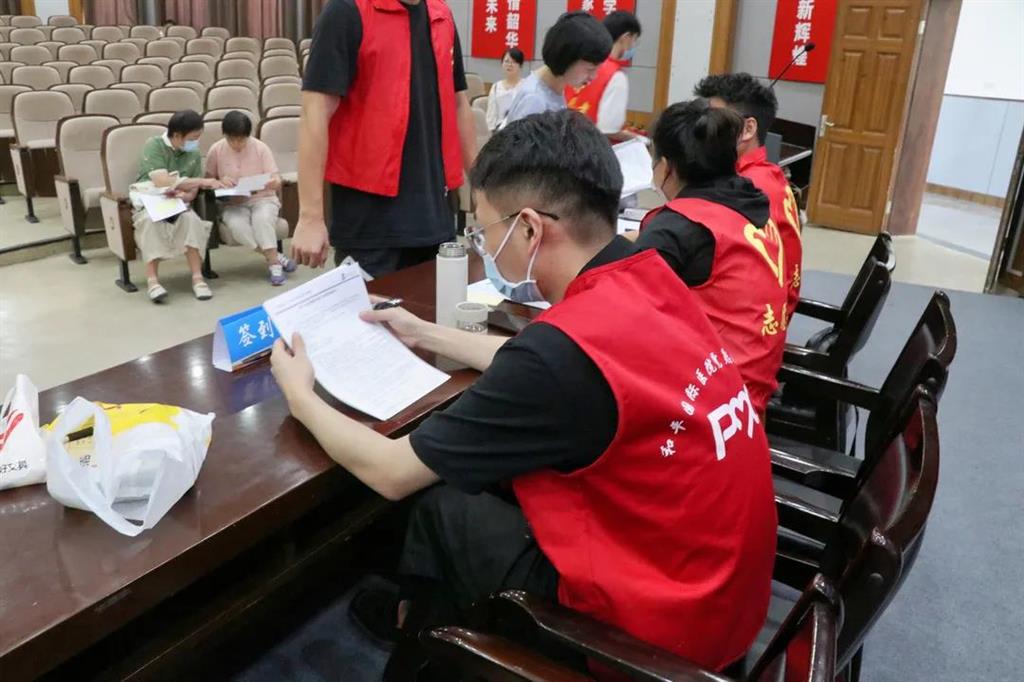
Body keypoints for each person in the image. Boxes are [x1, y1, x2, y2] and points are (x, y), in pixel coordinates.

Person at [270, 110, 776, 677]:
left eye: (485, 230)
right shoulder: (649, 274)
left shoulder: (559, 354)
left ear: (531, 229)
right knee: (479, 487)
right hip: (723, 601)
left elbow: (390, 471)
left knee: (444, 506)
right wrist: (425, 332)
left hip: (651, 645)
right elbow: (564, 362)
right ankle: (425, 619)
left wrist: (301, 396)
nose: (485, 246)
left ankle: (427, 644)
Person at [293, 0, 478, 277]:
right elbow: (314, 112)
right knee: (372, 306)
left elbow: (459, 104)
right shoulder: (346, 11)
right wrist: (310, 216)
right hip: (369, 225)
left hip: (435, 217)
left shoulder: (441, 16)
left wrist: (482, 190)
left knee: (436, 303)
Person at [632, 99, 788, 414]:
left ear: (666, 166)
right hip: (750, 387)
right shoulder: (749, 200)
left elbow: (621, 312)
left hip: (705, 403)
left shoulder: (676, 229)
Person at [696, 72, 803, 321]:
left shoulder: (748, 189)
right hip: (768, 313)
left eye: (714, 120)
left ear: (748, 129)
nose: (702, 130)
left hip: (750, 325)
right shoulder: (766, 174)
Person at [133, 109, 224, 303]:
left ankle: (198, 278)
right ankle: (153, 282)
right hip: (151, 202)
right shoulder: (154, 145)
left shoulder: (193, 154)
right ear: (176, 135)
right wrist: (202, 181)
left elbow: (192, 192)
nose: (195, 142)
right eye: (192, 138)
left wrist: (185, 194)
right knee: (150, 223)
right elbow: (161, 180)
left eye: (198, 138)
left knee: (191, 221)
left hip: (178, 204)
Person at [205, 110, 296, 286]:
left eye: (241, 140)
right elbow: (208, 181)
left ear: (248, 135)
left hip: (263, 198)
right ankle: (276, 257)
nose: (237, 144)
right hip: (233, 204)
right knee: (237, 226)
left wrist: (274, 182)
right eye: (232, 140)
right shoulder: (216, 150)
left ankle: (274, 266)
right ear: (225, 135)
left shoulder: (261, 148)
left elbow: (276, 179)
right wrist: (220, 182)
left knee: (262, 220)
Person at [500, 11, 612, 127]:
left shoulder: (554, 88)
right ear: (566, 57)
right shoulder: (534, 101)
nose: (594, 76)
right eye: (590, 69)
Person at [566, 10, 641, 137]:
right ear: (626, 37)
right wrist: (637, 138)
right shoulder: (616, 76)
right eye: (634, 40)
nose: (634, 46)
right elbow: (609, 129)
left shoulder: (580, 63)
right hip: (592, 144)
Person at [484, 48, 525, 132]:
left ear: (520, 65)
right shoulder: (496, 87)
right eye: (506, 61)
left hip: (519, 130)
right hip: (499, 130)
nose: (510, 65)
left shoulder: (526, 86)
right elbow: (491, 115)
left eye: (514, 62)